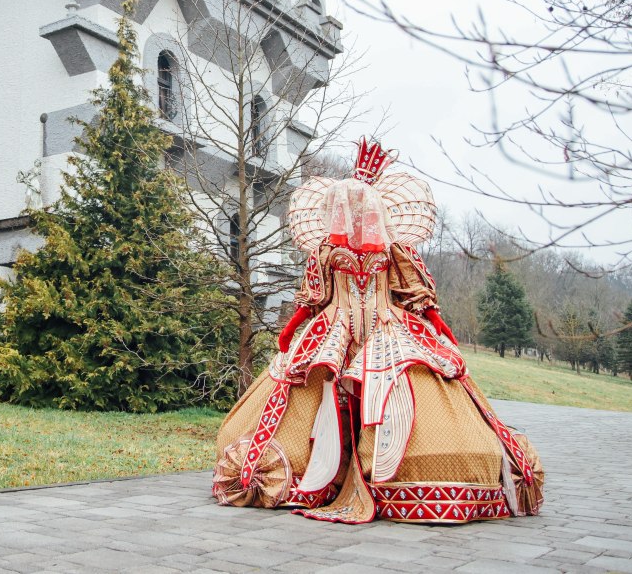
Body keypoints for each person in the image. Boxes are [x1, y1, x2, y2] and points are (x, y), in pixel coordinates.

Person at [212, 139, 544, 523]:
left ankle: (392, 476)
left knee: (397, 395)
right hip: (333, 332)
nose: (351, 214)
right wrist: (292, 329)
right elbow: (314, 297)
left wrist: (435, 323)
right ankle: (323, 473)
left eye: (357, 207)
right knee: (313, 391)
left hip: (387, 330)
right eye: (345, 208)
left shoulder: (395, 250)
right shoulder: (325, 251)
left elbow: (415, 293)